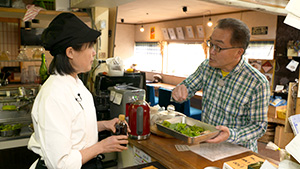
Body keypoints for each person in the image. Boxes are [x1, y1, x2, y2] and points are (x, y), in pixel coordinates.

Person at [28, 13, 130, 169]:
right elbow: (61, 163)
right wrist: (102, 146)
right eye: (89, 46)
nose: (94, 52)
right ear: (70, 52)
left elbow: (75, 128)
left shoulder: (76, 83)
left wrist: (104, 125)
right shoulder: (53, 95)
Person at [172, 18, 270, 152]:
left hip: (238, 151)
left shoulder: (257, 83)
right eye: (210, 44)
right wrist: (180, 90)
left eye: (218, 47)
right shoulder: (207, 67)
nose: (211, 51)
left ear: (238, 52)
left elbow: (258, 127)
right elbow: (188, 86)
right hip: (206, 144)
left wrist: (231, 134)